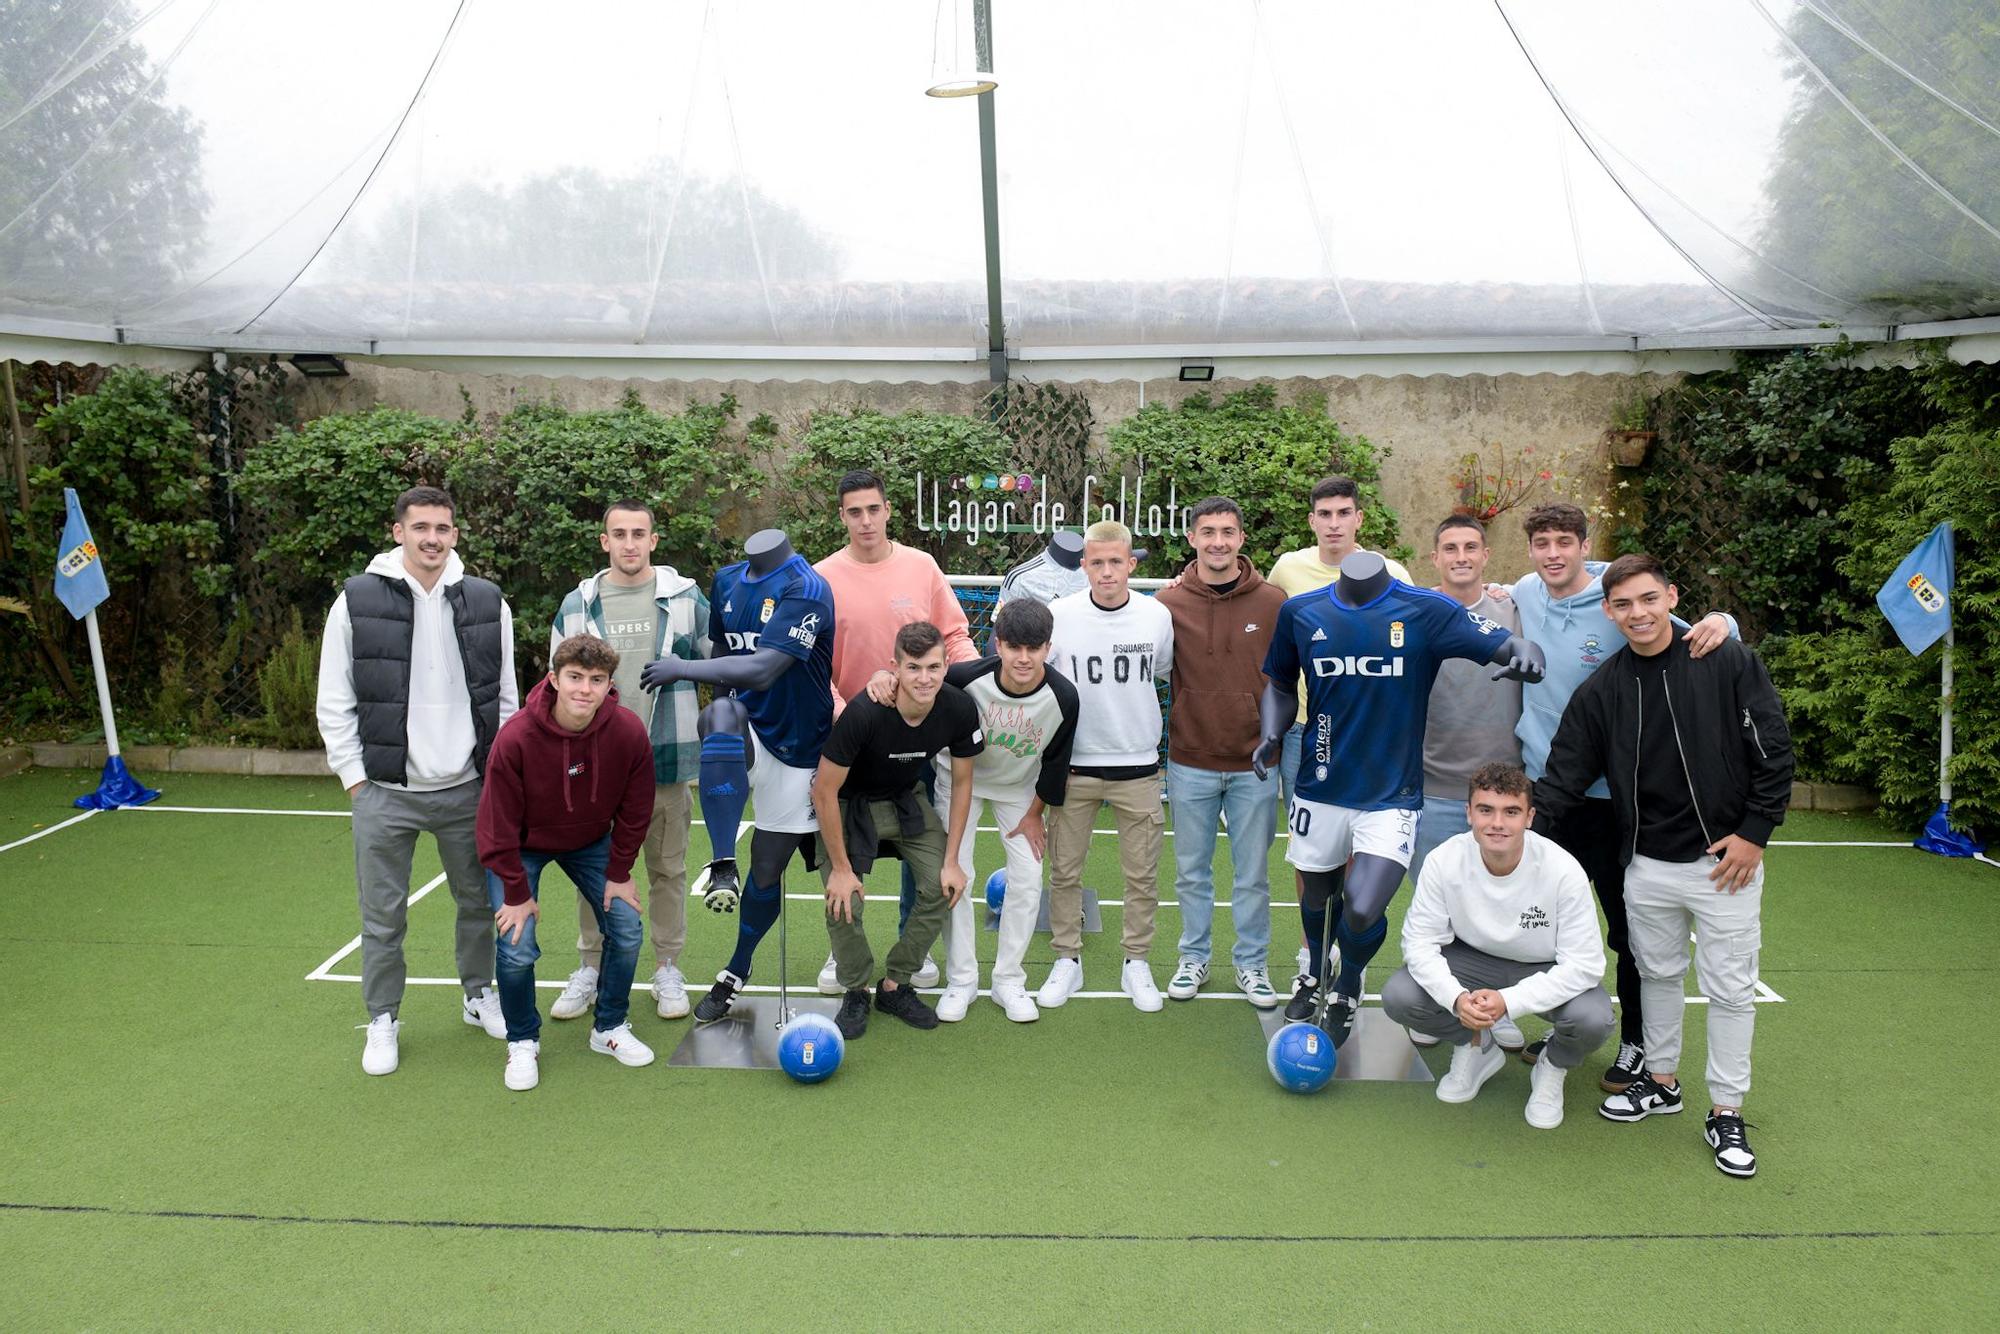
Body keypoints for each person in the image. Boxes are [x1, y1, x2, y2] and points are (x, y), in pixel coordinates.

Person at [1533, 554, 1793, 1178]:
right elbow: (1565, 774)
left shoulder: (1727, 659)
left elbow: (1774, 750)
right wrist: (1513, 841)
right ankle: (1662, 1080)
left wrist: (1754, 834)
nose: (1638, 614)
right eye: (1623, 605)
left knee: (1730, 991)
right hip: (1645, 864)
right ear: (1608, 611)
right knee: (1657, 975)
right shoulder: (1605, 688)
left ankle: (1727, 1109)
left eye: (1649, 599)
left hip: (1722, 863)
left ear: (1672, 597)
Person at [1254, 550, 1545, 1047]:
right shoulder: (1301, 611)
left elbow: (1502, 641)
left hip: (1393, 793)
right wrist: (1271, 733)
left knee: (1363, 908)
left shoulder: (1425, 610)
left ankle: (1347, 986)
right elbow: (1280, 684)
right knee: (1319, 896)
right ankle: (1314, 973)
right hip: (1320, 785)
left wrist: (1525, 651)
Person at [1500, 501, 1737, 1094]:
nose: (1554, 554)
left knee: (1626, 927)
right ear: (1530, 550)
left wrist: (1725, 620)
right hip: (1545, 792)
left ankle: (1635, 1042)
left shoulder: (1615, 596)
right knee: (1543, 924)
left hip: (1615, 799)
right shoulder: (1525, 592)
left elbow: (1694, 632)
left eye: (1565, 542)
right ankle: (1566, 1028)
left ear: (1585, 545)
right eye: (1542, 543)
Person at [316, 485, 517, 1077]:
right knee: (382, 917)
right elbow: (335, 699)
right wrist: (356, 779)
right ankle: (382, 1018)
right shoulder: (353, 601)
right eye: (421, 526)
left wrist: (496, 776)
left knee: (479, 904)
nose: (433, 537)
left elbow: (505, 697)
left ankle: (479, 996)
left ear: (455, 534)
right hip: (385, 794)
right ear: (397, 531)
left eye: (444, 528)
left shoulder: (487, 601)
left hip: (467, 790)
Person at [640, 529, 835, 1023]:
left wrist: (680, 668)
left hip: (798, 748)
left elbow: (766, 667)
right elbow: (724, 660)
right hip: (748, 730)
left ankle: (737, 968)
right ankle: (722, 862)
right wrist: (718, 703)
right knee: (721, 714)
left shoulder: (807, 588)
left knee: (768, 868)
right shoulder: (726, 580)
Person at [866, 596, 1079, 1022]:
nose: (1023, 658)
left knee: (1028, 875)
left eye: (1033, 648)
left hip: (1018, 791)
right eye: (1014, 647)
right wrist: (881, 677)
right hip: (957, 780)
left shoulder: (1064, 697)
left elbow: (1057, 763)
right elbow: (918, 682)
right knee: (955, 875)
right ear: (997, 645)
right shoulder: (964, 678)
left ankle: (1008, 981)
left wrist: (1035, 814)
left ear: (1048, 648)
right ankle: (962, 980)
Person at [545, 500, 711, 1026]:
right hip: (594, 765)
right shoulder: (578, 604)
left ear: (654, 541)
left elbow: (719, 661)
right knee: (593, 872)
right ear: (604, 542)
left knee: (667, 870)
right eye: (619, 534)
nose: (630, 543)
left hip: (665, 758)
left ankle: (667, 968)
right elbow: (557, 686)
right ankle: (590, 968)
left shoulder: (686, 599)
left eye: (639, 533)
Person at [812, 468, 978, 994]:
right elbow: (814, 663)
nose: (865, 520)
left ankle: (913, 949)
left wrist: (975, 696)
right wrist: (846, 712)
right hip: (850, 740)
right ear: (842, 516)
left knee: (920, 853)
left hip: (915, 742)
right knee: (844, 855)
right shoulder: (820, 578)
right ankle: (845, 956)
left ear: (888, 511)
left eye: (873, 509)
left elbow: (954, 637)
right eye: (854, 511)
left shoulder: (921, 566)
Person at [1381, 763, 1612, 1129]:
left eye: (1511, 812)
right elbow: (1420, 944)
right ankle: (1476, 1045)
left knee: (1592, 1018)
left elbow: (1584, 966)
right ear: (1469, 813)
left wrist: (1509, 1001)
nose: (1497, 823)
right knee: (1400, 995)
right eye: (1486, 810)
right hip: (1470, 961)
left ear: (1530, 817)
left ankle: (1552, 1066)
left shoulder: (1563, 870)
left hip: (1541, 965)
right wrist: (1458, 999)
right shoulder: (1444, 860)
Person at [476, 634, 658, 1090]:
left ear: (609, 684)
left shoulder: (628, 732)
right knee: (516, 942)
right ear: (554, 679)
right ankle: (522, 1040)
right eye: (575, 678)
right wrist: (516, 894)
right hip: (521, 844)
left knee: (627, 927)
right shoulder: (516, 737)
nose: (585, 689)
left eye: (597, 680)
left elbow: (637, 809)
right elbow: (496, 826)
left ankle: (609, 1027)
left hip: (591, 841)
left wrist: (619, 873)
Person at [813, 622, 984, 1038]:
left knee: (944, 885)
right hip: (850, 806)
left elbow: (962, 783)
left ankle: (896, 983)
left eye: (933, 667)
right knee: (843, 896)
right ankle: (855, 988)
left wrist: (952, 860)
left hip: (906, 800)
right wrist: (839, 868)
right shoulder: (865, 712)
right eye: (913, 668)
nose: (924, 678)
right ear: (895, 668)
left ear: (946, 666)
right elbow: (824, 790)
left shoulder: (959, 708)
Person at [1154, 497, 1287, 1008]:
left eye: (1227, 532)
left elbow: (1286, 674)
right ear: (1191, 538)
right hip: (1190, 761)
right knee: (1192, 870)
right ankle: (1193, 957)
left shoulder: (1273, 602)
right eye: (1207, 532)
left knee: (1252, 874)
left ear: (1241, 539)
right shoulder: (1169, 604)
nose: (1217, 541)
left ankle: (1251, 965)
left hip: (1256, 764)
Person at [1402, 514, 1526, 1050]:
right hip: (1430, 785)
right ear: (1434, 558)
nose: (1460, 557)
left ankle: (1498, 1006)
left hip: (1500, 793)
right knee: (1435, 909)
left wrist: (1719, 618)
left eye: (1470, 547)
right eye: (1449, 548)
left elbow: (1592, 575)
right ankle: (1440, 1003)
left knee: (1499, 908)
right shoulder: (1414, 612)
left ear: (1486, 554)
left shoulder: (1517, 607)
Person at [1041, 519, 1176, 1012]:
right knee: (1064, 870)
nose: (1106, 571)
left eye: (1115, 562)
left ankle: (1135, 961)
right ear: (1083, 566)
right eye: (1096, 562)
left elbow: (1161, 671)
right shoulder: (1059, 615)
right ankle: (1066, 960)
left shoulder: (1155, 616)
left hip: (1138, 765)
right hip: (1075, 765)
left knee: (1141, 874)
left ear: (1131, 564)